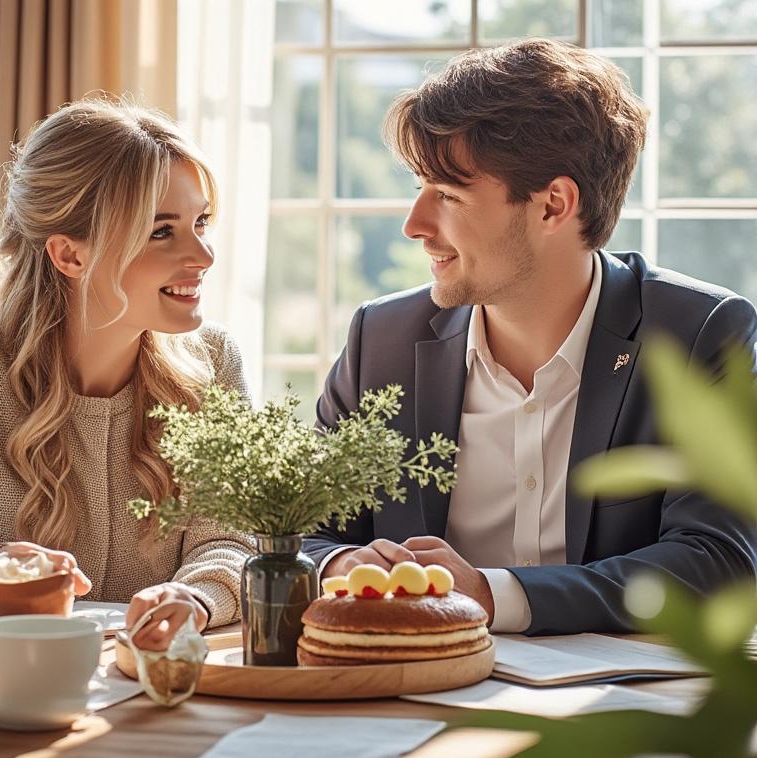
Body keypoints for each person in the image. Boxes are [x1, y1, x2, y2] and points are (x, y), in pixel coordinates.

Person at [303, 39, 757, 635]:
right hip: (410, 694)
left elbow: (718, 560)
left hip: (612, 709)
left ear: (552, 206)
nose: (414, 224)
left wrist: (491, 596)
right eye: (420, 187)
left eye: (447, 195)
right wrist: (341, 562)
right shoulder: (381, 340)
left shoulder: (700, 334)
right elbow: (300, 529)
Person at [0, 100, 253, 650]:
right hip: (5, 686)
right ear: (69, 254)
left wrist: (195, 600)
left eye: (200, 223)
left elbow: (235, 544)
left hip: (157, 684)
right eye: (161, 232)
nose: (202, 254)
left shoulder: (214, 362)